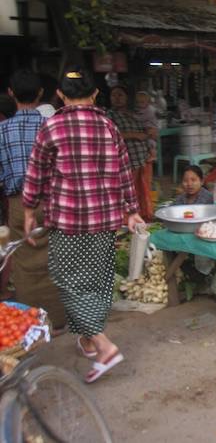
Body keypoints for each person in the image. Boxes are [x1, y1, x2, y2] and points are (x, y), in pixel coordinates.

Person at [23, 69, 144, 383]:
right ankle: (89, 340)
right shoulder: (108, 126)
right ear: (94, 96)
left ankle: (104, 346)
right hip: (104, 220)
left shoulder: (52, 126)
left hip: (68, 221)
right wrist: (132, 211)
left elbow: (36, 173)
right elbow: (124, 170)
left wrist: (27, 211)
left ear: (61, 95)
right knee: (98, 281)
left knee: (69, 281)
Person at [0, 70, 65, 328]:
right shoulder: (53, 127)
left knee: (25, 262)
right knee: (56, 257)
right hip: (53, 201)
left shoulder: (2, 130)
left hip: (18, 203)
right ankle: (58, 319)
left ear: (11, 93)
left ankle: (33, 323)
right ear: (40, 94)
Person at [107, 85, 154, 221]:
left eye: (120, 95)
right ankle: (126, 220)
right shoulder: (109, 115)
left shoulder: (135, 114)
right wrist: (135, 135)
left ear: (127, 98)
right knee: (127, 193)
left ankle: (143, 217)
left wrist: (150, 143)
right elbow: (112, 134)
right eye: (114, 95)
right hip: (126, 161)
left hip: (142, 158)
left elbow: (147, 131)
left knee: (142, 191)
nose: (117, 98)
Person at [133, 90, 158, 159]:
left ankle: (154, 155)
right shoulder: (139, 109)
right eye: (138, 102)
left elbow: (141, 118)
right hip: (144, 128)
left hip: (151, 127)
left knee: (150, 142)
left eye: (142, 102)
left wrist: (132, 116)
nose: (140, 104)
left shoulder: (150, 110)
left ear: (148, 102)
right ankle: (150, 154)